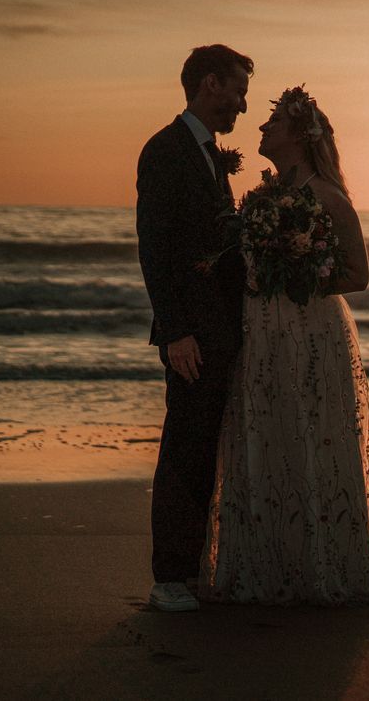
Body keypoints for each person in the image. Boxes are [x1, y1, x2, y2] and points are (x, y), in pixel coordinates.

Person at [200, 86, 369, 605]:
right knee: (267, 436)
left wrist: (296, 272)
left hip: (310, 335)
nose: (261, 130)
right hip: (261, 332)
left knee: (311, 439)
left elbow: (358, 275)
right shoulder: (264, 194)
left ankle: (320, 569)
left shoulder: (328, 196)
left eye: (271, 125)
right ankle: (268, 566)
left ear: (298, 136)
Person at [136, 44, 252, 612]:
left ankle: (191, 569)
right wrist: (176, 331)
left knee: (205, 448)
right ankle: (169, 576)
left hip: (219, 329)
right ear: (210, 84)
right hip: (191, 335)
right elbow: (155, 249)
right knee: (183, 448)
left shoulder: (208, 154)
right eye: (237, 91)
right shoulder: (165, 151)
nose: (243, 106)